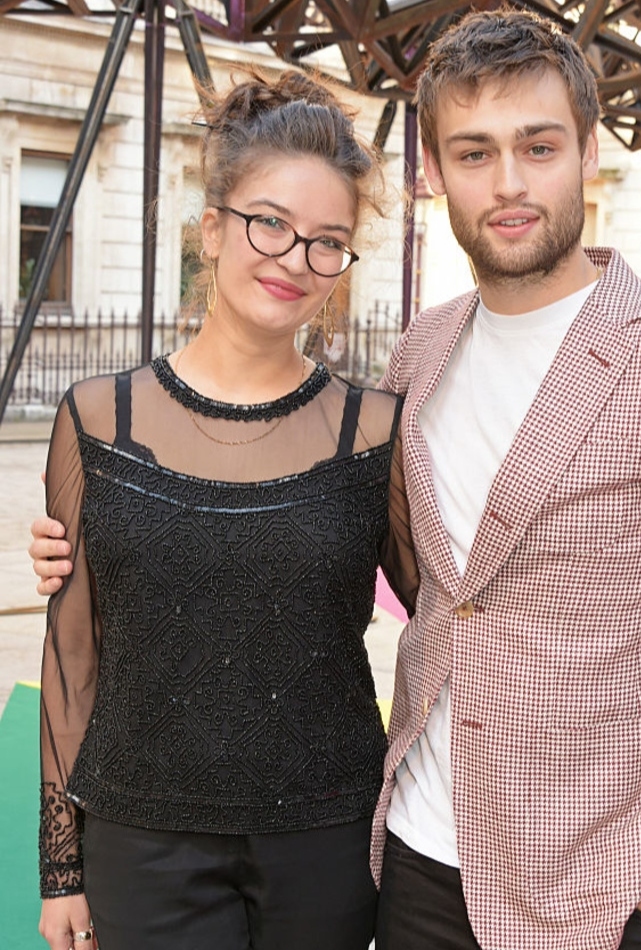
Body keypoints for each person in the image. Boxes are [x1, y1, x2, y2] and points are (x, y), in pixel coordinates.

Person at [30, 9, 641, 950]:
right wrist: (126, 540)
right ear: (435, 172)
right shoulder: (423, 355)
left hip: (600, 883)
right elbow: (394, 573)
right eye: (474, 153)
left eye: (539, 146)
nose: (509, 183)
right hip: (412, 854)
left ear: (589, 151)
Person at [28, 65, 416, 950]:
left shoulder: (376, 430)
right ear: (211, 229)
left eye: (328, 240)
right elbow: (74, 650)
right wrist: (61, 871)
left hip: (327, 840)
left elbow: (453, 618)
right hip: (141, 840)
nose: (295, 260)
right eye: (269, 224)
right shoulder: (97, 418)